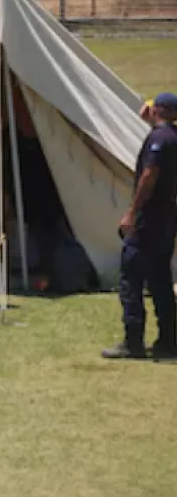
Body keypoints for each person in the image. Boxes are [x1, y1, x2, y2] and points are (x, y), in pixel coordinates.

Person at [103, 93, 177, 360]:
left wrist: (132, 212)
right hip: (167, 219)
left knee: (131, 278)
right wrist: (151, 122)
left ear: (158, 109)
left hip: (149, 218)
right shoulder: (171, 137)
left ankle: (133, 341)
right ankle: (168, 340)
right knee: (160, 281)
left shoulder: (158, 140)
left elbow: (150, 174)